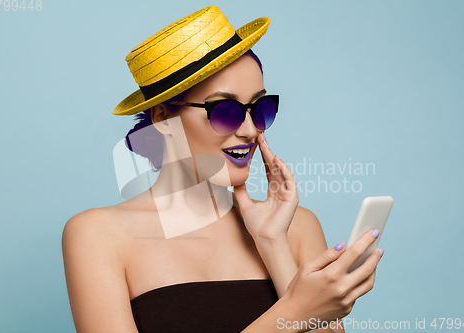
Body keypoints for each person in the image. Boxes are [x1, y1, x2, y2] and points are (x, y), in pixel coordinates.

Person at [62, 5, 383, 333]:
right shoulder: (100, 235)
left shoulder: (295, 228)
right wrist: (293, 312)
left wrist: (273, 244)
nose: (248, 130)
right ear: (162, 119)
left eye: (260, 109)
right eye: (226, 111)